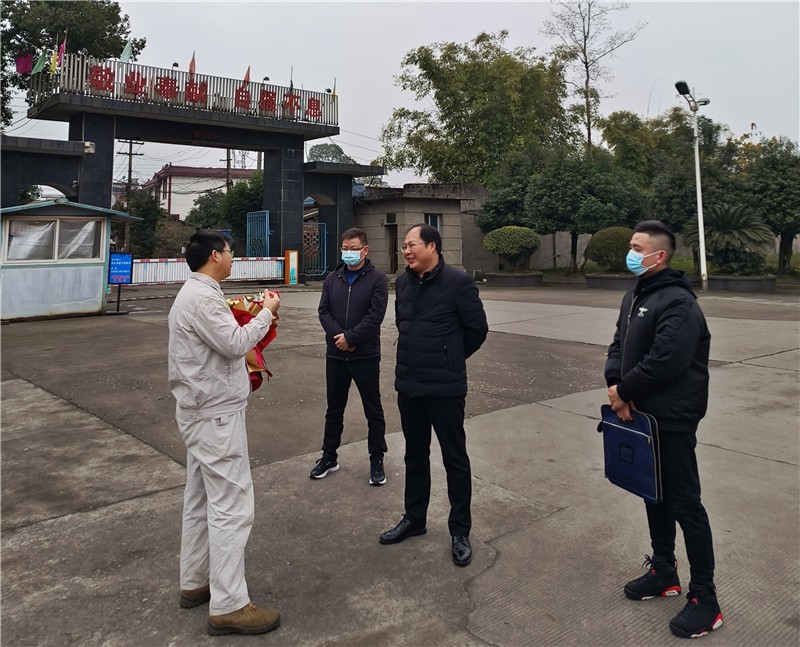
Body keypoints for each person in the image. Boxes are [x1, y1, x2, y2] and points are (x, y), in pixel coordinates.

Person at [605, 220, 723, 639]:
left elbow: (667, 360)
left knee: (685, 504)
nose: (631, 253)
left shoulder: (679, 302)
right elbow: (619, 344)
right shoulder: (635, 294)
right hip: (640, 416)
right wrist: (614, 384)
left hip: (671, 418)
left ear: (660, 256)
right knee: (652, 493)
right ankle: (664, 570)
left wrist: (624, 391)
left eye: (637, 248)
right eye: (630, 246)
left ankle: (705, 598)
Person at [168, 230, 282, 637]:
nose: (233, 257)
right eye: (231, 251)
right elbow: (234, 344)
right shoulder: (202, 298)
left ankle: (196, 579)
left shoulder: (198, 294)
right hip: (215, 417)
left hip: (202, 411)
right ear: (215, 255)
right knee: (232, 505)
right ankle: (230, 604)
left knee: (200, 499)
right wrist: (265, 312)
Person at [379, 224, 488, 567]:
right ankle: (415, 519)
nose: (406, 251)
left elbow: (477, 330)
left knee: (454, 458)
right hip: (410, 385)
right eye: (404, 246)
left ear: (432, 246)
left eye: (411, 245)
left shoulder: (458, 282)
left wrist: (449, 358)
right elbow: (403, 323)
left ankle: (460, 530)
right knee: (415, 455)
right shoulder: (404, 282)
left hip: (445, 388)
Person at [311, 228, 389, 485]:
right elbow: (324, 311)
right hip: (336, 355)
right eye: (345, 249)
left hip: (365, 356)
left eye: (354, 249)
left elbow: (375, 316)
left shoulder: (378, 279)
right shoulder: (332, 278)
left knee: (373, 410)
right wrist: (339, 338)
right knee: (334, 409)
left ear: (365, 250)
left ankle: (377, 459)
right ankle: (329, 456)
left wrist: (352, 338)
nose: (349, 253)